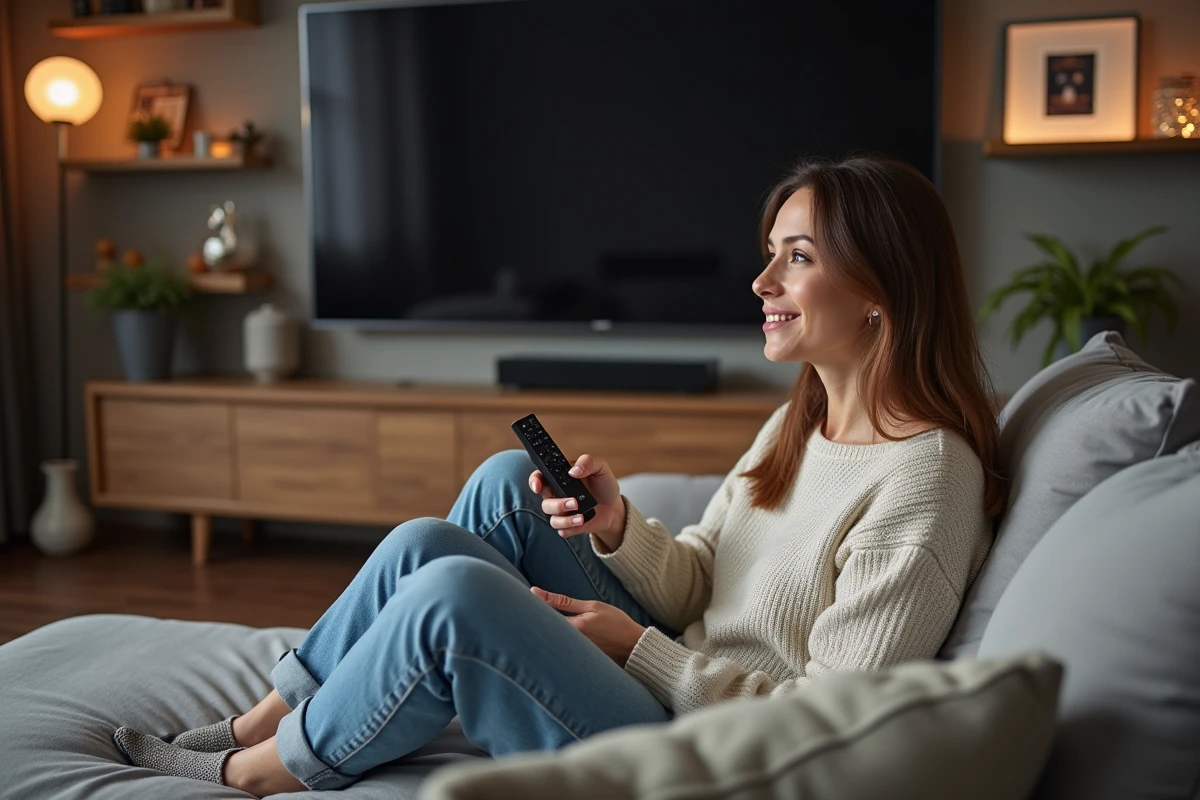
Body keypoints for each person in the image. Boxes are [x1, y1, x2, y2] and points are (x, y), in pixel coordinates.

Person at [113, 155, 1002, 796]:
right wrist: (618, 529)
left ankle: (250, 774)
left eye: (798, 257)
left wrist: (638, 649)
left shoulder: (924, 482)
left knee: (456, 595)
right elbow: (703, 577)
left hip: (714, 750)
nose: (762, 280)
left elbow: (831, 724)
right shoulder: (799, 422)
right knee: (491, 493)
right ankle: (259, 720)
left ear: (882, 289)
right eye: (771, 252)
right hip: (679, 671)